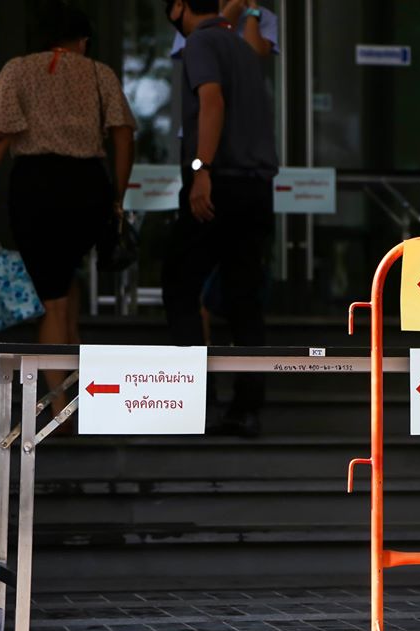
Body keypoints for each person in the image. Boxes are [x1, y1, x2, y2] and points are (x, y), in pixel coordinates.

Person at [0, 5, 136, 420]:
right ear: (82, 40)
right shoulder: (99, 73)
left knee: (52, 299)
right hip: (87, 185)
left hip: (36, 186)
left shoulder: (18, 70)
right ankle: (73, 396)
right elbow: (123, 135)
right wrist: (117, 196)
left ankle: (61, 410)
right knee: (65, 287)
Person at [161, 0, 279, 437]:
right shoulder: (244, 48)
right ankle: (246, 408)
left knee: (179, 285)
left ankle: (195, 403)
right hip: (255, 187)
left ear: (179, 7)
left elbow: (211, 102)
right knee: (244, 297)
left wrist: (201, 170)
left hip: (218, 183)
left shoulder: (201, 43)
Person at [171, 0, 280, 59]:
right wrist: (226, 19)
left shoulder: (265, 16)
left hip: (245, 89)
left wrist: (252, 13)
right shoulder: (193, 12)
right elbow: (193, 56)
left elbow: (254, 54)